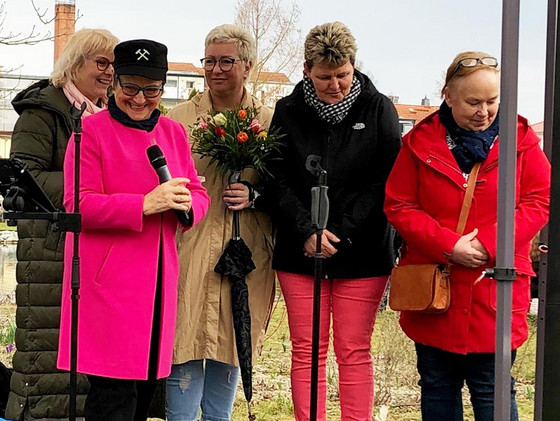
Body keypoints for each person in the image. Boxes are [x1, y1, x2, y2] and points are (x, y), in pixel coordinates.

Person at [384, 51, 551, 420]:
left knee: (493, 393)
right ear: (448, 95)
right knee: (438, 390)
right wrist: (449, 246)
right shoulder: (418, 143)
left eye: (493, 101)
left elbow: (540, 200)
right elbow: (398, 204)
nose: (485, 112)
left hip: (496, 293)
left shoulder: (521, 141)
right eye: (473, 102)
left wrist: (490, 244)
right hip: (434, 295)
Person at [56, 39, 210, 421]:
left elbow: (196, 191)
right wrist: (145, 203)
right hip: (109, 289)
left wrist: (190, 205)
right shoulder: (88, 132)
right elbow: (78, 202)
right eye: (130, 88)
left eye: (152, 90)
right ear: (114, 83)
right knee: (113, 399)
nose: (141, 99)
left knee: (143, 399)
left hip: (158, 285)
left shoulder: (174, 133)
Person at [266, 21, 401, 420]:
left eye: (342, 75)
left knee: (354, 350)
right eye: (325, 77)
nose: (335, 85)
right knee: (307, 349)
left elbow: (386, 180)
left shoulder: (379, 109)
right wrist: (306, 229)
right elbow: (276, 176)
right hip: (299, 250)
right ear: (307, 69)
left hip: (362, 251)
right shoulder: (287, 110)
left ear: (353, 66)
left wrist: (340, 231)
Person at [6, 28, 119, 421]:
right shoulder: (44, 111)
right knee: (47, 362)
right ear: (75, 62)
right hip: (50, 255)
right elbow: (25, 178)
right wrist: (96, 190)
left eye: (113, 65)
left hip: (93, 250)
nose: (109, 73)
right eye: (101, 62)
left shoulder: (106, 116)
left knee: (87, 369)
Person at [165, 24, 275, 421]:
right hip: (188, 249)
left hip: (246, 254)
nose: (216, 69)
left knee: (231, 344)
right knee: (184, 341)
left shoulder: (268, 122)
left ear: (247, 65)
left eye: (226, 61)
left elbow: (285, 192)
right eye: (209, 61)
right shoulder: (177, 120)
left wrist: (255, 195)